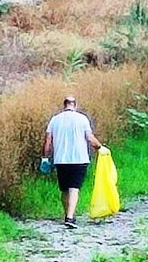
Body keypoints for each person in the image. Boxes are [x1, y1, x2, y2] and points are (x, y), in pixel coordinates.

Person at [43, 95, 103, 229]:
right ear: (75, 105)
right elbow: (89, 138)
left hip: (60, 160)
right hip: (79, 159)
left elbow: (48, 141)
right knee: (74, 188)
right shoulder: (82, 119)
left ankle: (67, 214)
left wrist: (45, 158)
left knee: (64, 189)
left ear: (64, 105)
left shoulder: (55, 120)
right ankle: (70, 217)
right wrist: (100, 147)